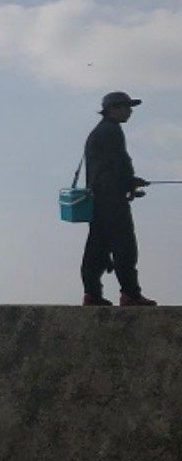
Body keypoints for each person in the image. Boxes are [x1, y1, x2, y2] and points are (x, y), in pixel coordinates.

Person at [80, 92, 157, 306]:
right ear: (113, 108)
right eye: (126, 107)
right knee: (125, 246)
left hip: (99, 199)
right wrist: (130, 182)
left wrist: (129, 184)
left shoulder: (99, 132)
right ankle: (130, 294)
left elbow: (105, 169)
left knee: (97, 247)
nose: (130, 111)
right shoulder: (111, 131)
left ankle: (92, 295)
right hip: (111, 200)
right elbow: (118, 163)